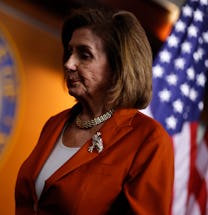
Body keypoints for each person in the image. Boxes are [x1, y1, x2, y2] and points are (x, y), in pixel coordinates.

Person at [15, 7, 174, 215]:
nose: (69, 63)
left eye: (84, 54)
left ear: (118, 67)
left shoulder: (149, 140)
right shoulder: (55, 123)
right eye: (70, 52)